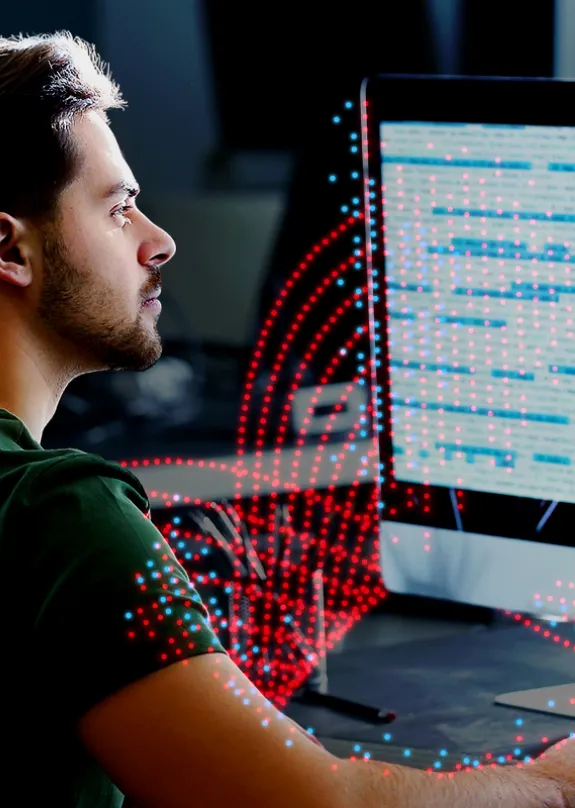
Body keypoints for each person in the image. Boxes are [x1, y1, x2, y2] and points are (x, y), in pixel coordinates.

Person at [0, 29, 572, 808]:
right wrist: (551, 783)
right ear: (10, 248)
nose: (158, 242)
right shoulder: (56, 514)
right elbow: (314, 804)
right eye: (119, 209)